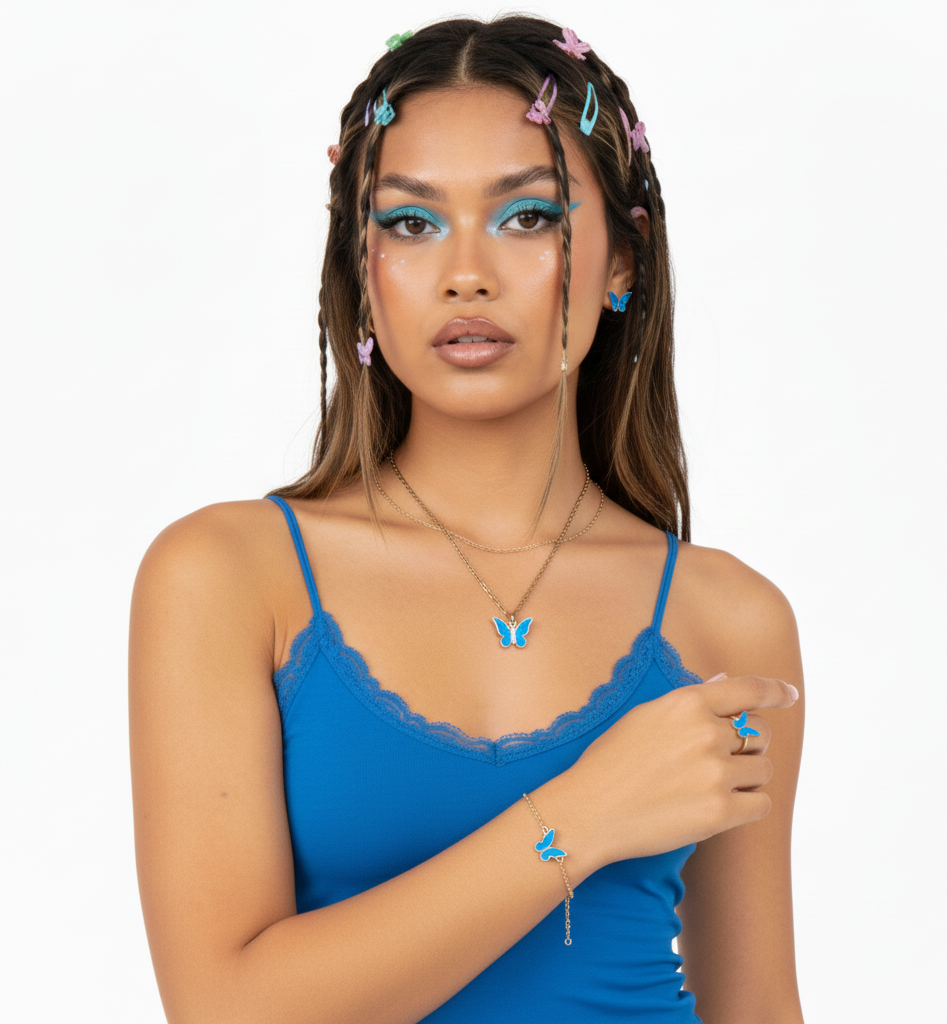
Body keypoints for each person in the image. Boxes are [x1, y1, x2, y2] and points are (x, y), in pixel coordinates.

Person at [129, 15, 805, 1023]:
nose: (465, 272)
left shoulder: (728, 617)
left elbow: (756, 1006)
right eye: (410, 223)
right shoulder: (228, 575)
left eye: (526, 216)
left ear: (623, 261)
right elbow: (224, 1008)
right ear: (361, 271)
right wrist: (584, 812)